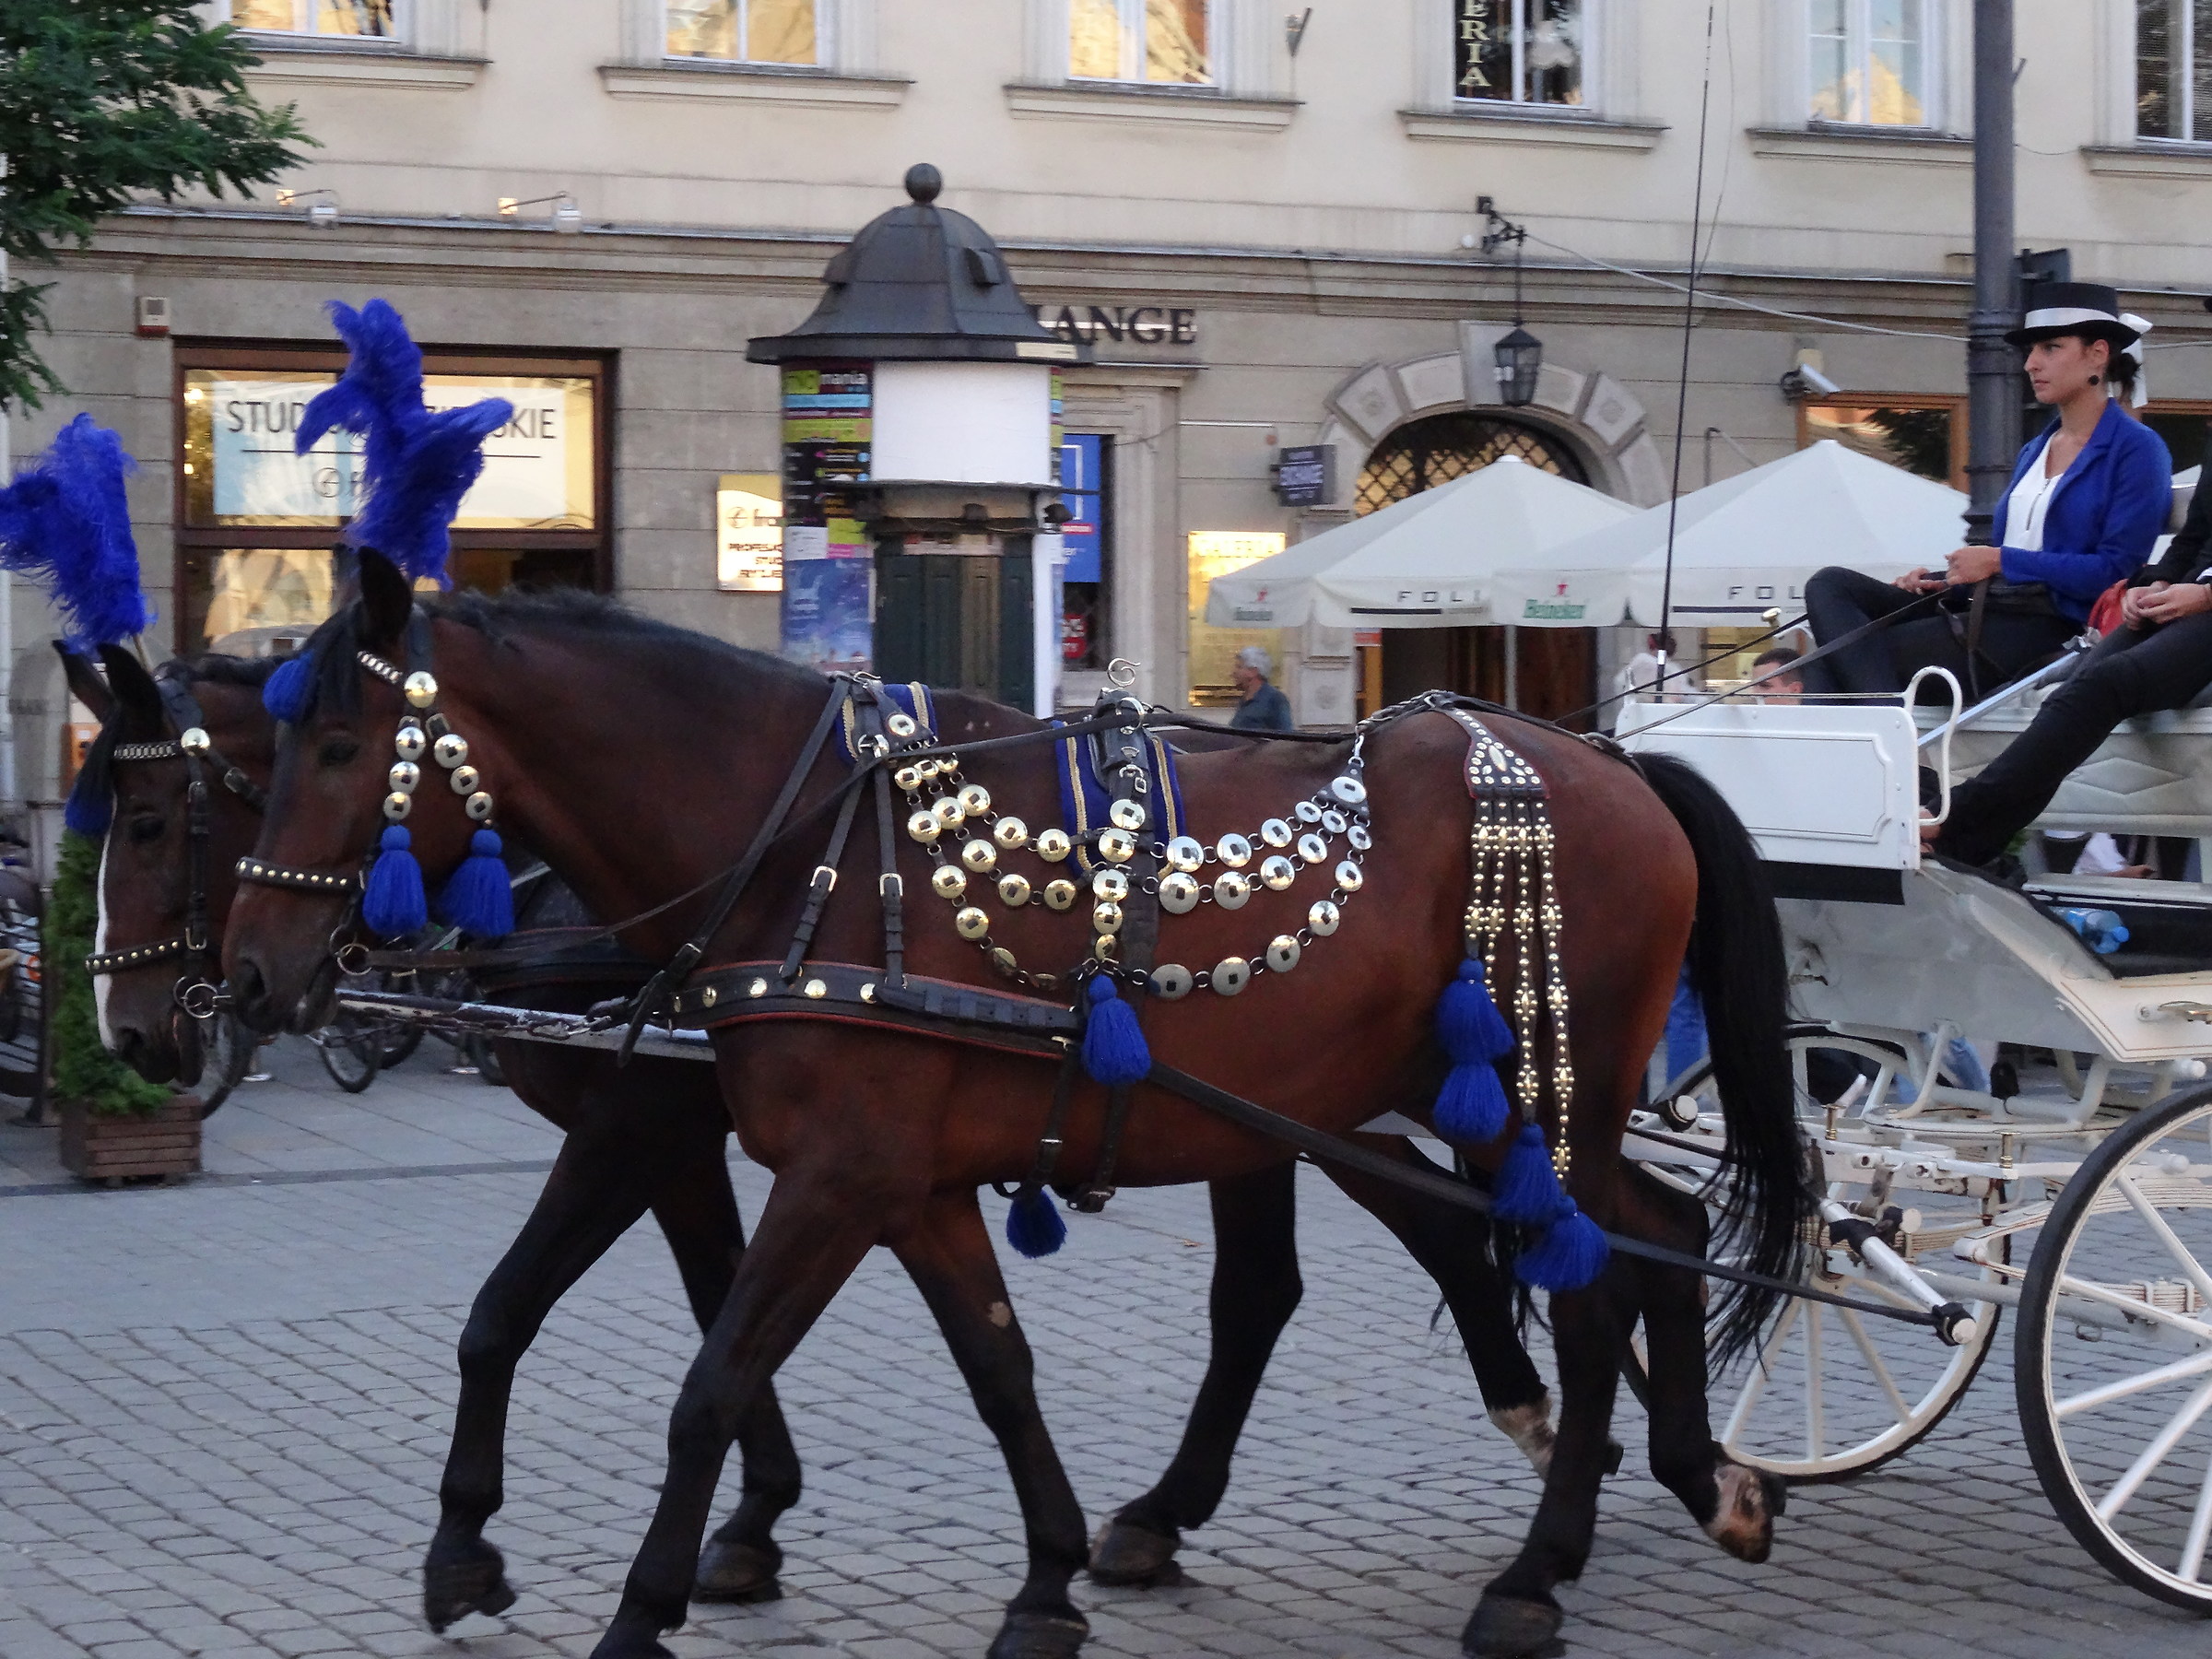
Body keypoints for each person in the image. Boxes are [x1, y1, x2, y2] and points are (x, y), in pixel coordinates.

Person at [1801, 283, 2171, 702]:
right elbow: (2005, 562)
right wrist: (1947, 582)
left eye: (2050, 348)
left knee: (1830, 666)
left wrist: (1998, 560)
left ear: (2098, 354)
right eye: (2031, 351)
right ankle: (1902, 746)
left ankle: (1905, 754)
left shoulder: (2137, 450)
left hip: (2052, 624)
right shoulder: (2036, 449)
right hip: (1991, 607)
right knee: (1830, 586)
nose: (2031, 364)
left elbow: (2115, 572)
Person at [1932, 418, 2212, 866]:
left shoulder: (2134, 445)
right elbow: (2195, 536)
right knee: (2075, 689)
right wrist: (2155, 582)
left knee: (2109, 681)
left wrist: (2206, 595)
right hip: (2183, 600)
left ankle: (1955, 815)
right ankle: (1965, 846)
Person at [1228, 643, 1294, 731]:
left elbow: (1285, 737)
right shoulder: (1244, 700)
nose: (1234, 673)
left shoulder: (1275, 699)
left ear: (1253, 672)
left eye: (1239, 667)